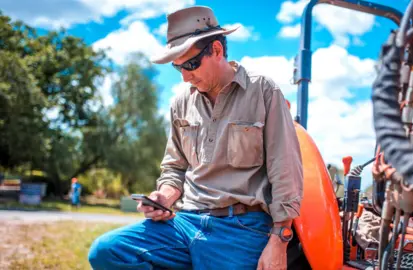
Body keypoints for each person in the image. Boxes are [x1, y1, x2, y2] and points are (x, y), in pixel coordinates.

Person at [88, 6, 303, 270]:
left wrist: (279, 240)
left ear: (216, 50)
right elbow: (175, 167)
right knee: (107, 251)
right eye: (178, 68)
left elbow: (286, 170)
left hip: (242, 228)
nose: (185, 76)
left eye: (190, 64)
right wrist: (164, 197)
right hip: (185, 222)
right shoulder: (181, 103)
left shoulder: (263, 91)